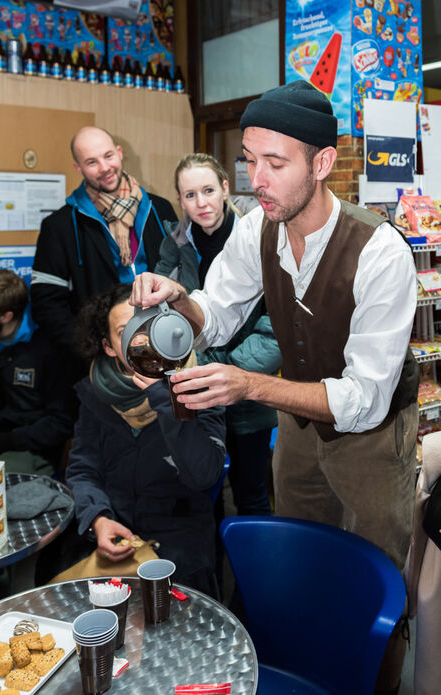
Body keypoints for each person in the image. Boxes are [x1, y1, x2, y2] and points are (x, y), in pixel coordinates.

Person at [130, 81, 419, 694]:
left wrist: (248, 385)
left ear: (321, 164)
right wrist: (176, 309)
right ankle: (302, 673)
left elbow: (362, 398)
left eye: (274, 163)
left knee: (375, 585)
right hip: (298, 425)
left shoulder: (380, 251)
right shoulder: (257, 226)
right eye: (249, 160)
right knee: (299, 563)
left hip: (373, 436)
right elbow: (221, 308)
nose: (254, 179)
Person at [62, 283, 226, 595]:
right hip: (115, 526)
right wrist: (98, 518)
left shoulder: (204, 387)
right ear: (109, 346)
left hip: (179, 535)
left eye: (151, 326)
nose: (142, 340)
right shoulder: (95, 394)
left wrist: (165, 398)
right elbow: (83, 470)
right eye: (126, 330)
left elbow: (202, 474)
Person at [154, 152, 282, 517]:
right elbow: (165, 318)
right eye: (190, 195)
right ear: (179, 199)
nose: (201, 203)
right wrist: (201, 369)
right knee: (201, 498)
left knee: (251, 496)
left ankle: (253, 575)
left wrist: (226, 369)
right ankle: (205, 576)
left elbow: (275, 328)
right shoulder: (174, 246)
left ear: (225, 188)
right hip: (195, 389)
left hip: (248, 388)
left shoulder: (259, 237)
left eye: (208, 190)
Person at [30, 125, 177, 378]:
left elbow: (182, 277)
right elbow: (47, 304)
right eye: (92, 162)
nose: (105, 168)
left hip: (163, 346)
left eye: (108, 156)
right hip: (100, 363)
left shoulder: (160, 209)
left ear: (119, 153)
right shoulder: (60, 226)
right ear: (78, 168)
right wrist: (91, 352)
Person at [0, 270, 77, 475]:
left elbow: (61, 423)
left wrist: (5, 442)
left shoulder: (51, 349)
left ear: (6, 316)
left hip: (28, 448)